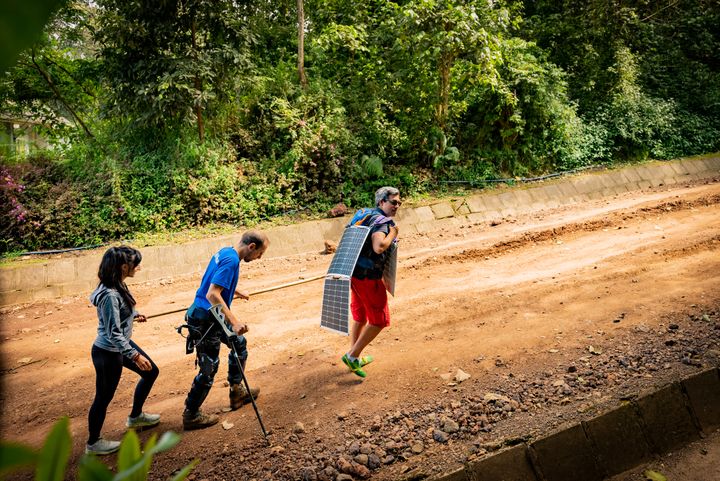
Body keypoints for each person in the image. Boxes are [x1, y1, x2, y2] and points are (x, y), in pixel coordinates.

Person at [182, 231, 270, 430]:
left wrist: (236, 291)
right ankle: (191, 413)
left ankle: (237, 391)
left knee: (239, 344)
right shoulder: (232, 261)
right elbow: (213, 293)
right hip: (205, 319)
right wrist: (234, 321)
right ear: (252, 247)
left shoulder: (226, 252)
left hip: (212, 315)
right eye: (260, 253)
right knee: (209, 366)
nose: (259, 258)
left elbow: (211, 281)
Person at [87, 246, 160, 455]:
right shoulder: (109, 294)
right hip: (108, 352)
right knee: (103, 397)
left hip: (118, 347)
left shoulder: (117, 284)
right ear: (123, 266)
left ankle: (135, 417)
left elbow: (120, 311)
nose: (139, 267)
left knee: (151, 372)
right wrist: (134, 356)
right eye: (136, 264)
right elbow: (113, 332)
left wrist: (134, 314)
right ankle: (93, 443)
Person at [341, 186, 401, 378]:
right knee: (379, 321)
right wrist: (393, 233)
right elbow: (379, 247)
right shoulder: (384, 223)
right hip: (368, 279)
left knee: (360, 317)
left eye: (399, 203)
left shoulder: (364, 214)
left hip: (353, 273)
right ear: (381, 202)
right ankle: (352, 355)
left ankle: (354, 357)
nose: (397, 206)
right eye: (393, 202)